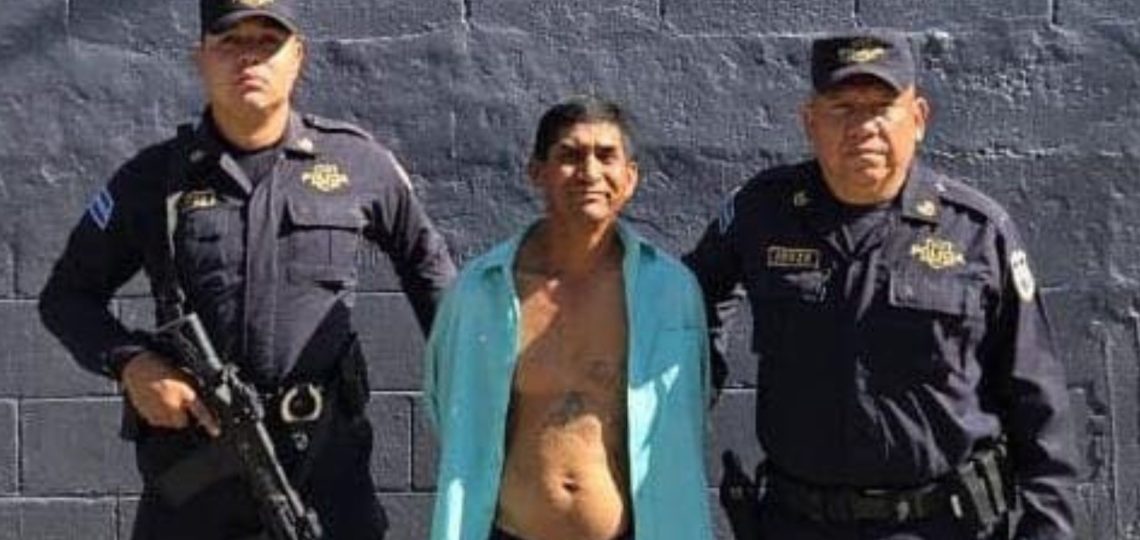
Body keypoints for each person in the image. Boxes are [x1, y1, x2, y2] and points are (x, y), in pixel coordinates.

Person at [38, 0, 456, 538]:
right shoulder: (153, 179)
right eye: (230, 42)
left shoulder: (357, 164)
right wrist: (132, 364)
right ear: (200, 58)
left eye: (267, 42)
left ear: (298, 56)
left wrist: (473, 394)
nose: (248, 58)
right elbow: (66, 297)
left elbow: (432, 275)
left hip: (324, 468)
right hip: (194, 471)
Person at [685, 31, 1078, 539]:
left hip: (942, 526)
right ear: (810, 122)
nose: (863, 126)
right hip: (796, 523)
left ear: (918, 118)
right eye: (842, 107)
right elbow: (685, 304)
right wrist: (689, 394)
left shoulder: (978, 232)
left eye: (881, 107)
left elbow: (1038, 399)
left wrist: (1047, 529)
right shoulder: (763, 212)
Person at [423, 97, 713, 540]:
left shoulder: (671, 292)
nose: (589, 172)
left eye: (606, 156)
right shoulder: (480, 292)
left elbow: (693, 404)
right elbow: (446, 407)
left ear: (630, 177)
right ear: (536, 172)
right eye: (570, 155)